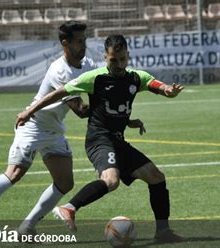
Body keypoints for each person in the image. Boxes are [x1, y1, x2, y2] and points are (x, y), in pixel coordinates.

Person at [15, 34, 185, 243]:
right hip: (99, 140)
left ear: (127, 56)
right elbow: (59, 93)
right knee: (111, 181)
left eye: (122, 59)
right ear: (105, 57)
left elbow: (158, 85)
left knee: (156, 177)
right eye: (113, 60)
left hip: (118, 141)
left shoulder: (136, 77)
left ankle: (163, 232)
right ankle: (69, 208)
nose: (119, 64)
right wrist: (30, 111)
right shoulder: (94, 78)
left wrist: (169, 91)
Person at [0, 20, 97, 235]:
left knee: (65, 182)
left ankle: (27, 227)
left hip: (53, 129)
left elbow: (103, 82)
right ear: (65, 43)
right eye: (79, 41)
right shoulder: (61, 71)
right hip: (33, 126)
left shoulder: (87, 64)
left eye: (85, 40)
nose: (84, 45)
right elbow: (80, 110)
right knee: (14, 173)